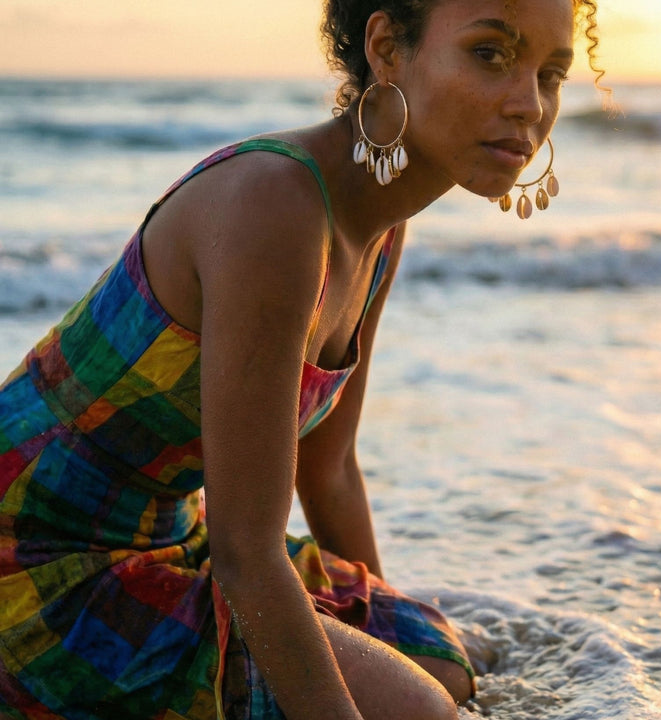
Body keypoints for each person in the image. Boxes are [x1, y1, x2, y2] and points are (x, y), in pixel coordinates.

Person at [0, 1, 602, 718]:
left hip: (170, 541)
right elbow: (246, 550)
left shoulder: (380, 224)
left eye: (553, 73)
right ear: (386, 48)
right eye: (491, 54)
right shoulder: (274, 204)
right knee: (419, 713)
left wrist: (382, 624)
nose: (529, 104)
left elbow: (331, 467)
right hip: (37, 564)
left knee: (442, 666)